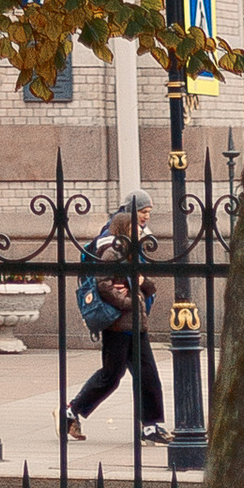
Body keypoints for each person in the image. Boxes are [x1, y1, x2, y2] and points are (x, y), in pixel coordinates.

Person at [63, 190, 165, 444]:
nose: (144, 222)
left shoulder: (132, 250)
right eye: (141, 215)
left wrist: (142, 284)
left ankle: (150, 427)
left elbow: (146, 283)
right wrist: (128, 301)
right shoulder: (112, 249)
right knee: (111, 375)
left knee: (148, 375)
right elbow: (103, 284)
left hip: (136, 323)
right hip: (119, 325)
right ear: (126, 223)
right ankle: (72, 410)